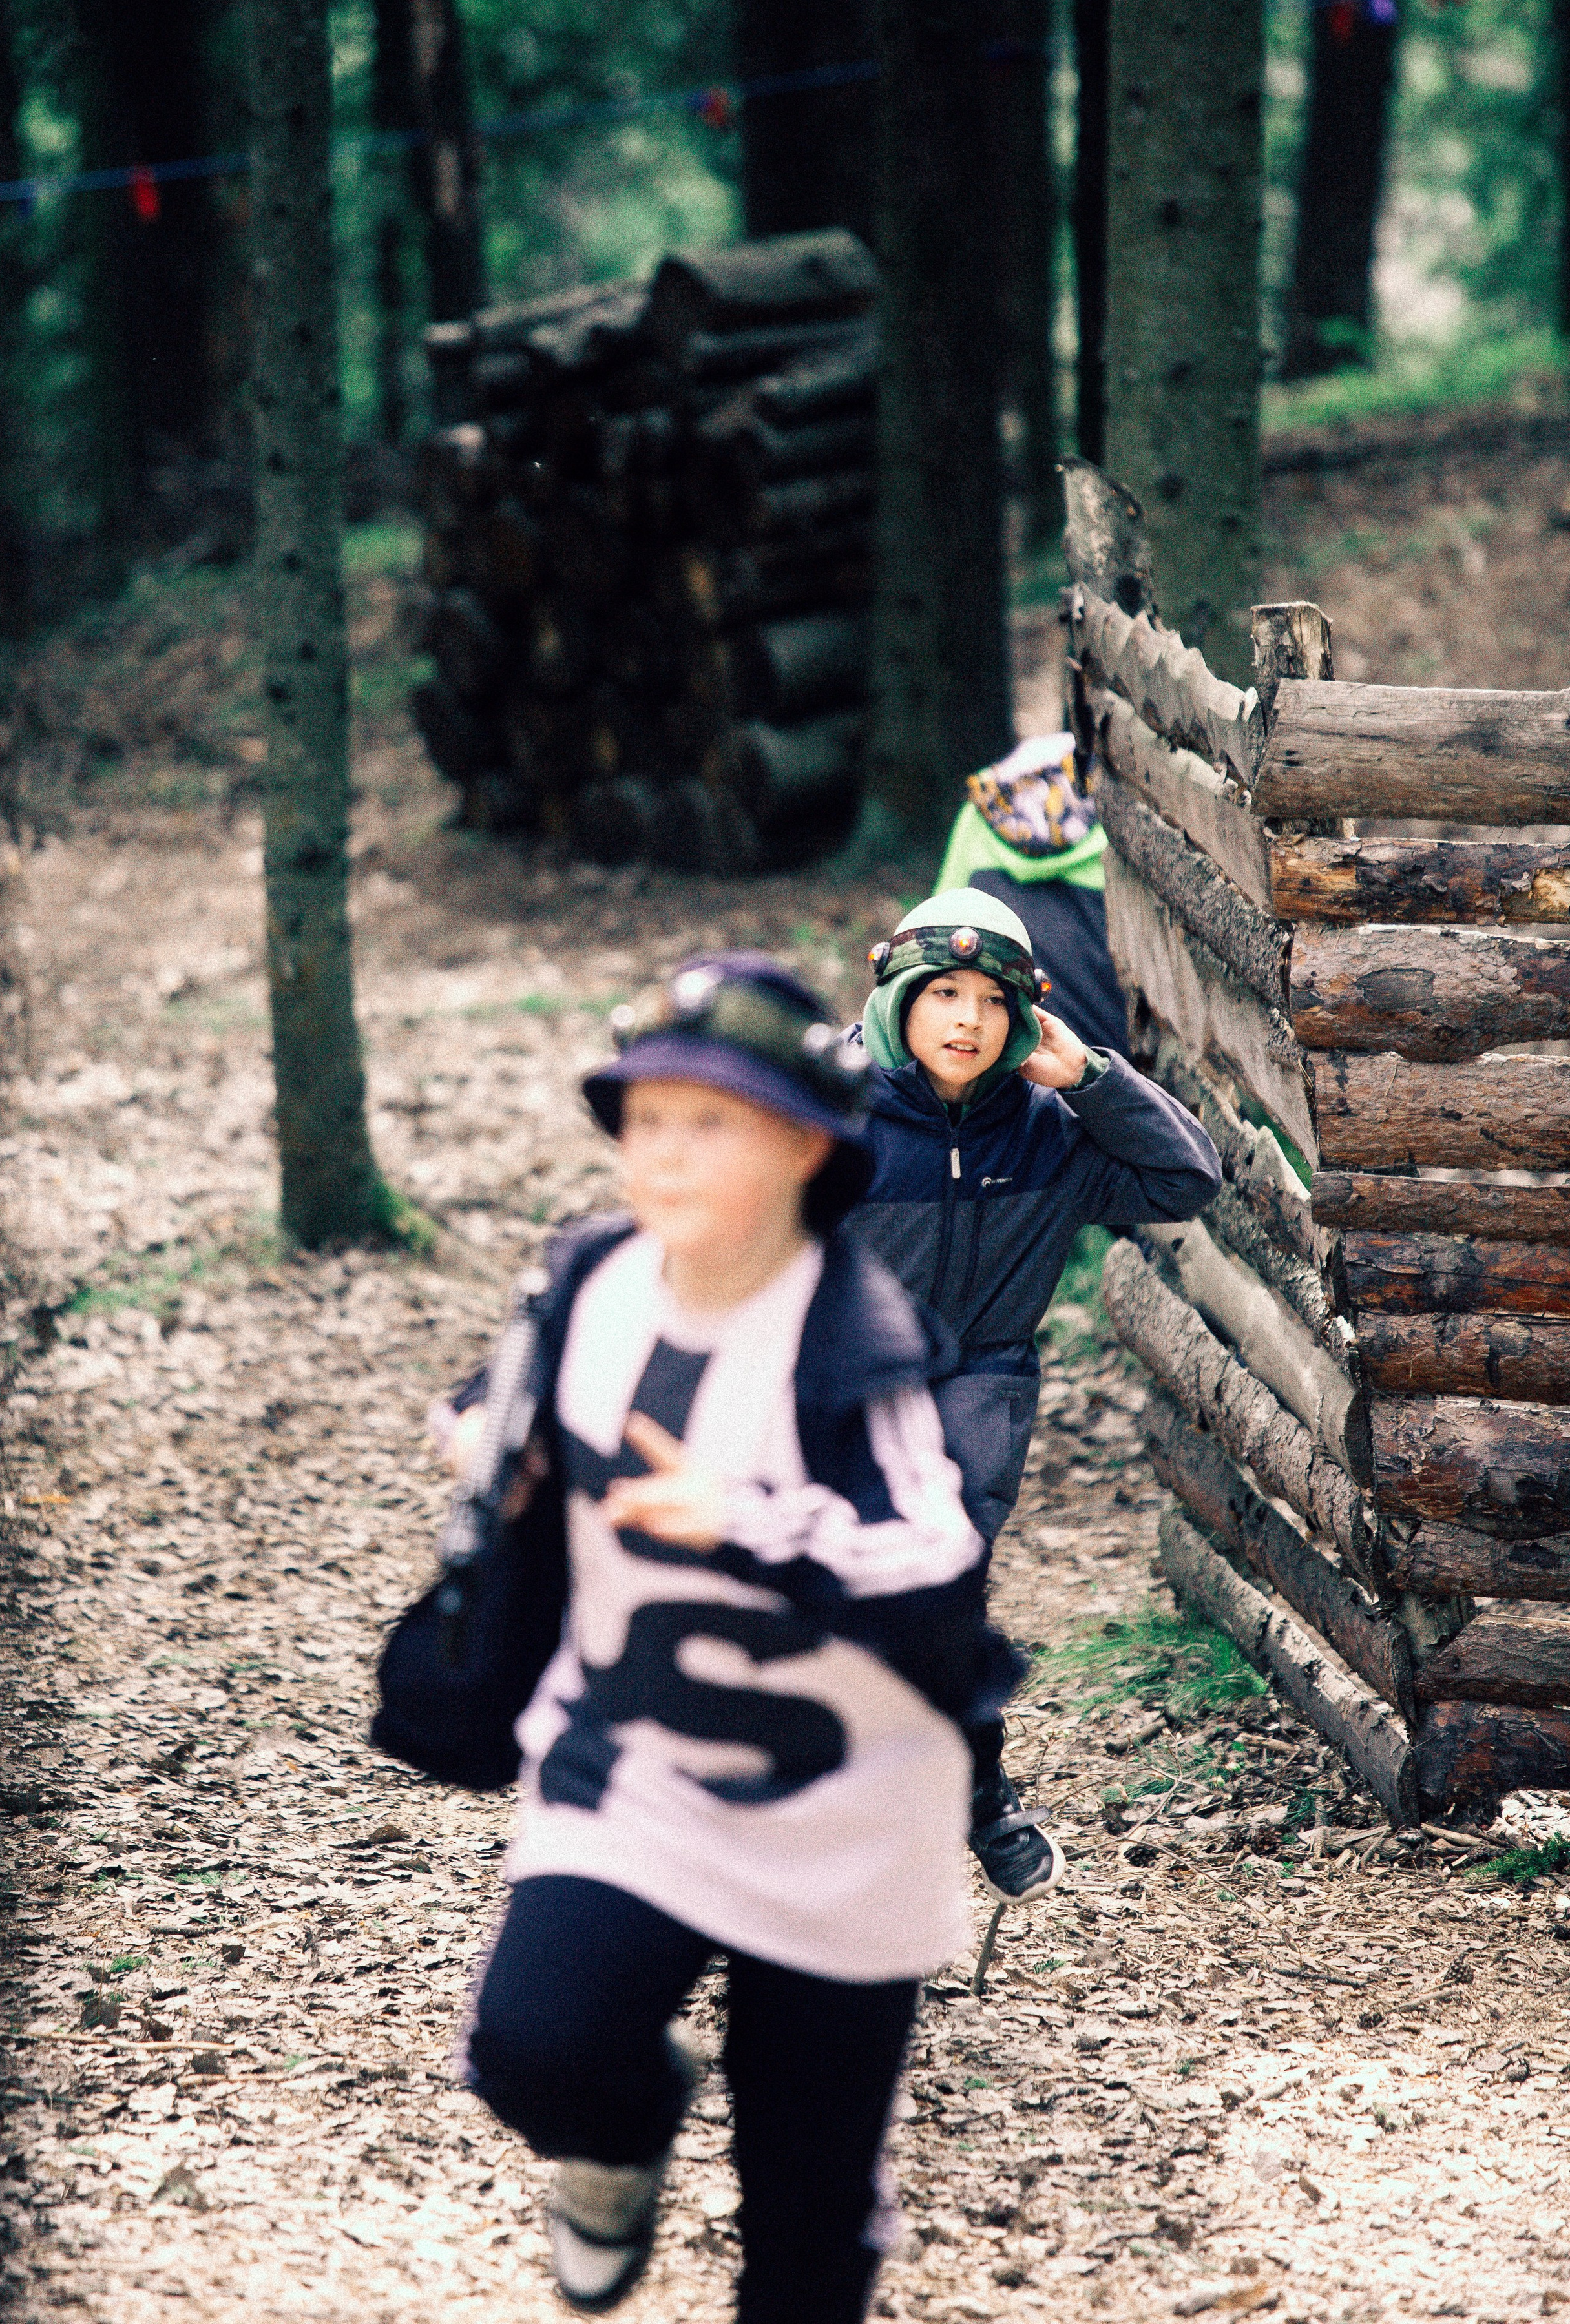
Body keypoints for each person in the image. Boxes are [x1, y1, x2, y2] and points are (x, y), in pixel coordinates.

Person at [444, 953, 1018, 2321]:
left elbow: (936, 1553)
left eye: (712, 1123)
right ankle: (619, 2138)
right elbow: (495, 1397)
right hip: (630, 1762)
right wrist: (487, 1449)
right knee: (535, 2050)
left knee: (806, 2232)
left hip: (845, 1815)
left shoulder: (853, 1331)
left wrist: (754, 1520)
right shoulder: (589, 1274)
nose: (667, 1155)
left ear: (807, 1149)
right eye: (646, 1121)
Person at [843, 886, 1220, 1904]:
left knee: (935, 1593)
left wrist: (1094, 1078)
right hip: (841, 1397)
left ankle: (971, 1796)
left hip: (980, 1388)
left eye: (994, 1002)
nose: (967, 1020)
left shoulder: (1049, 1132)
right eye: (944, 994)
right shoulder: (835, 1114)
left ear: (1026, 1020)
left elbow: (1187, 1179)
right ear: (897, 1000)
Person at [934, 729, 1129, 1055]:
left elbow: (935, 935)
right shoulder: (1120, 824)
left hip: (994, 1057)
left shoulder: (979, 813)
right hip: (1101, 1063)